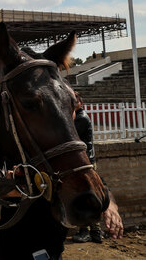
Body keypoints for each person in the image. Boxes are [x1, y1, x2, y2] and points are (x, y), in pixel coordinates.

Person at [0, 91, 124, 259]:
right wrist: (12, 187)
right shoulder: (12, 140)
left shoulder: (64, 146)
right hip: (15, 246)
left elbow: (93, 179)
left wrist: (110, 205)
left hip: (53, 246)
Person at [72, 92, 102, 243]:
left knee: (85, 195)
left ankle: (86, 231)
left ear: (80, 103)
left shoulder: (81, 118)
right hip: (85, 161)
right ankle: (95, 232)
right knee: (88, 195)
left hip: (85, 162)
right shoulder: (79, 117)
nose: (73, 102)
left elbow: (71, 134)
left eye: (75, 101)